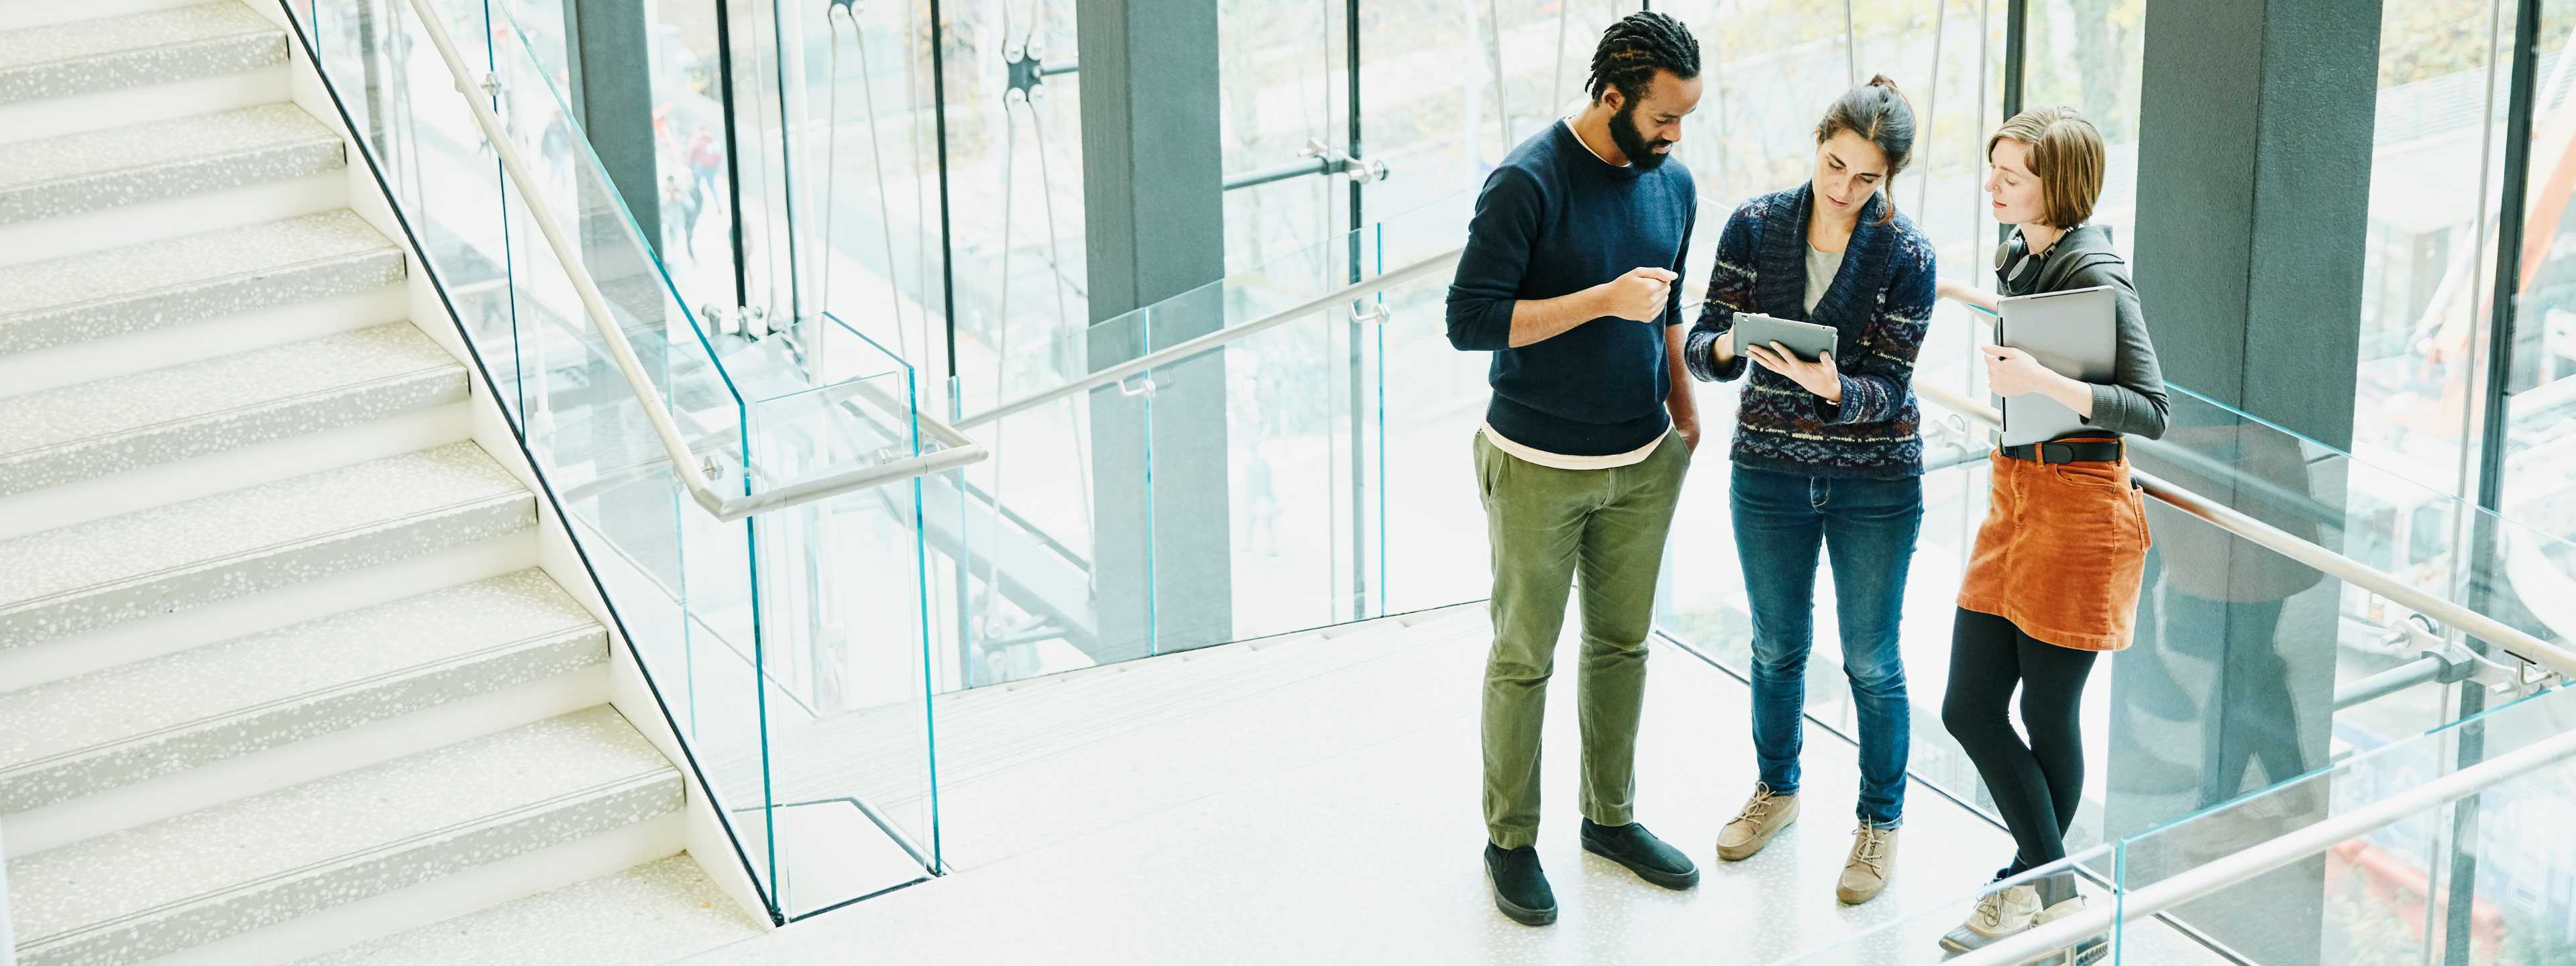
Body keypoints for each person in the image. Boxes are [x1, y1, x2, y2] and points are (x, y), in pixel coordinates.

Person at [1444, 11, 1703, 928]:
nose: (1676, 136)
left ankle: (1611, 819)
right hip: (1537, 464)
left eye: (1685, 118)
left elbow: (1670, 307)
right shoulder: (1526, 181)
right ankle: (1510, 841)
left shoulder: (1673, 184)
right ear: (1611, 97)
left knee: (1624, 646)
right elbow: (1469, 322)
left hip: (1643, 459)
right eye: (1664, 117)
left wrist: (1682, 401)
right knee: (1524, 658)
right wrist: (1601, 301)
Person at [1686, 75, 1931, 906]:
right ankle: (1777, 791)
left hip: (1876, 485)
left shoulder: (1909, 255)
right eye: (1835, 165)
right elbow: (1703, 339)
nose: (1845, 188)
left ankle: (1879, 822)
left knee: (1871, 659)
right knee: (1775, 645)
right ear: (1818, 142)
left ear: (1888, 178)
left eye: (1867, 178)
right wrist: (1729, 354)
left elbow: (1893, 388)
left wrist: (1835, 391)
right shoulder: (1756, 226)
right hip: (1770, 474)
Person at [1931, 105, 2169, 961]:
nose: (1992, 185)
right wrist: (1972, 301)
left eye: (2010, 175)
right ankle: (2057, 891)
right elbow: (2039, 332)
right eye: (1993, 168)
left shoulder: (2097, 269)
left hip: (2078, 507)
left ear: (2056, 184)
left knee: (2047, 710)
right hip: (2018, 495)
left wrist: (2038, 379)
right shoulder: (2023, 250)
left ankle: (2033, 888)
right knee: (1967, 705)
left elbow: (2152, 410)